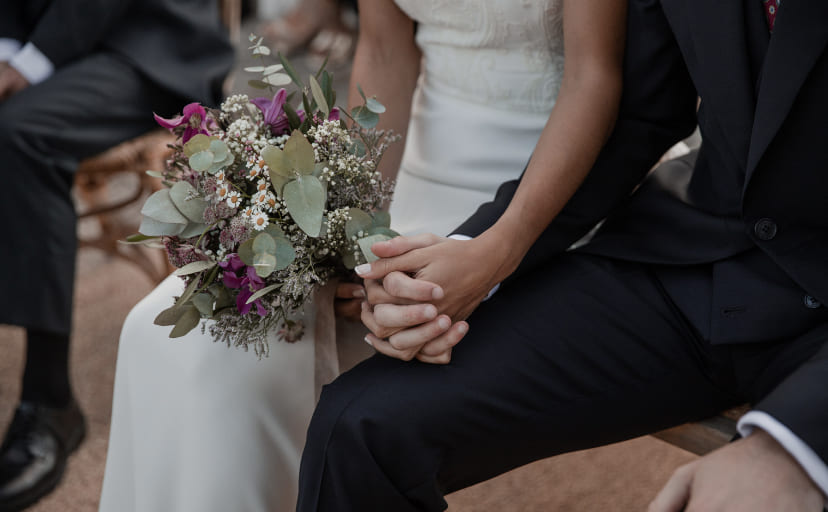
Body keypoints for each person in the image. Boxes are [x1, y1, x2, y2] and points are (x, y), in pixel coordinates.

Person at [296, 0, 828, 511]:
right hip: (703, 263)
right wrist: (482, 253)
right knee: (361, 427)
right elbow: (639, 116)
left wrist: (795, 443)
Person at [99, 0, 594, 509]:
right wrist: (348, 228)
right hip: (406, 174)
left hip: (547, 192)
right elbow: (384, 49)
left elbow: (593, 79)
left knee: (260, 370)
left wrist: (495, 250)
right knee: (158, 336)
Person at [0, 1, 232, 511]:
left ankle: (48, 400)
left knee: (18, 134)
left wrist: (28, 64)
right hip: (40, 41)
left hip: (147, 41)